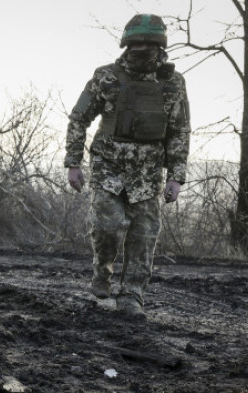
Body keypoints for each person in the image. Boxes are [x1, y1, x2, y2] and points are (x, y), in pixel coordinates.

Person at [64, 13, 190, 319]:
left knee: (144, 236)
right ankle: (101, 271)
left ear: (160, 46)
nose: (141, 49)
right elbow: (79, 118)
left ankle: (132, 295)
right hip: (108, 167)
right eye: (135, 43)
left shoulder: (173, 83)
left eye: (148, 43)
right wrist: (73, 162)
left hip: (147, 173)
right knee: (107, 228)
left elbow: (179, 131)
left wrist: (176, 176)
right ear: (126, 44)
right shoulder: (106, 76)